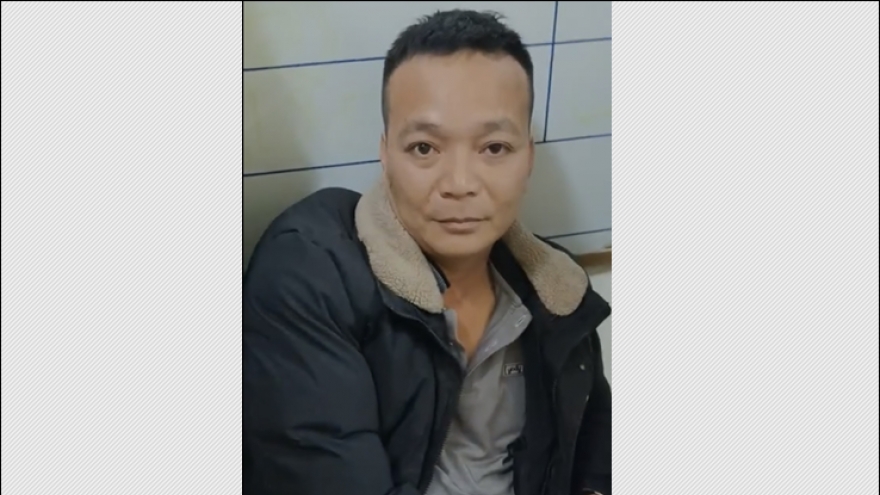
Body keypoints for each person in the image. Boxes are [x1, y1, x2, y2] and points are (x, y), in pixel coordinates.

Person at [243, 9, 611, 495]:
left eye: (494, 148)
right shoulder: (311, 272)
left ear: (528, 158)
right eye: (424, 148)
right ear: (385, 153)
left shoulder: (556, 291)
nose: (459, 184)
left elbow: (595, 457)